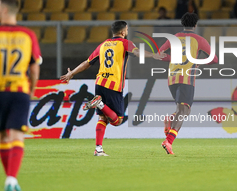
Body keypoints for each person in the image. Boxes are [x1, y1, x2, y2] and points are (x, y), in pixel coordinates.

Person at [60, 21, 165, 156]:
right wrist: (153, 55)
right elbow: (137, 52)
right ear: (122, 32)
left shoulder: (103, 45)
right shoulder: (125, 43)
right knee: (117, 120)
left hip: (99, 83)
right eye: (126, 29)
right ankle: (100, 103)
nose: (127, 31)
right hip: (113, 84)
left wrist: (72, 73)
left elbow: (87, 63)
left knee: (102, 118)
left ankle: (98, 149)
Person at [0, 0, 42, 191]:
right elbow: (34, 67)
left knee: (3, 138)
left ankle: (10, 178)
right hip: (20, 91)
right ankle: (11, 178)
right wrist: (31, 90)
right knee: (17, 137)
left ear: (5, 10)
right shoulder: (28, 35)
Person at [159, 12, 218, 155]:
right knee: (183, 111)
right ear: (195, 25)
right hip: (186, 78)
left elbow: (159, 53)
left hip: (172, 78)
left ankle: (171, 119)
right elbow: (214, 59)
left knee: (184, 110)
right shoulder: (199, 40)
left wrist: (174, 59)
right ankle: (169, 141)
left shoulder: (174, 38)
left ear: (182, 24)